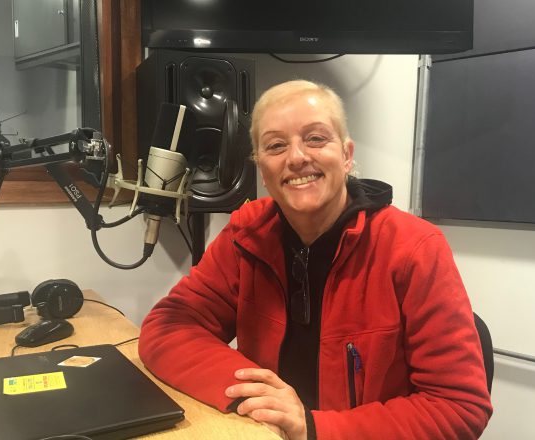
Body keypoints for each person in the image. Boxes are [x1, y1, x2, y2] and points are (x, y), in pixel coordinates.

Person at [138, 80, 492, 439]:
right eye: (276, 145)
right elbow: (169, 326)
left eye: (316, 138)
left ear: (347, 155)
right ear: (262, 169)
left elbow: (459, 407)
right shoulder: (247, 234)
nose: (296, 158)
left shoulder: (414, 247)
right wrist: (258, 395)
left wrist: (313, 427)